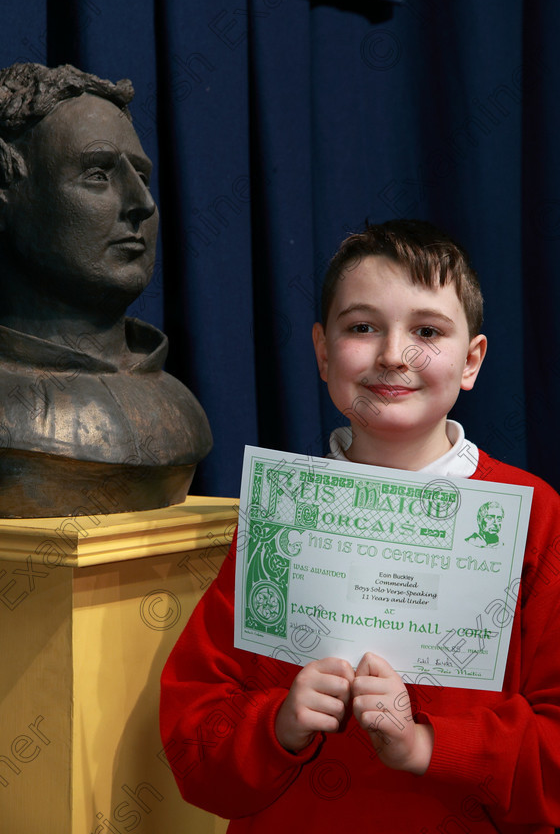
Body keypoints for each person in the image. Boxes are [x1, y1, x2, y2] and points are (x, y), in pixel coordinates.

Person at [160, 220, 560, 833]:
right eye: (362, 327)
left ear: (472, 360)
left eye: (427, 331)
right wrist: (279, 725)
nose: (393, 354)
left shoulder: (532, 515)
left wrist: (428, 746)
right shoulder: (281, 513)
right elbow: (194, 733)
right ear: (323, 352)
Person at [0, 63, 211, 516]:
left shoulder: (179, 407)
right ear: (8, 190)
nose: (143, 204)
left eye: (142, 177)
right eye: (98, 174)